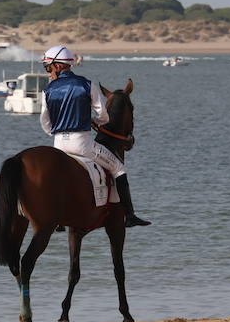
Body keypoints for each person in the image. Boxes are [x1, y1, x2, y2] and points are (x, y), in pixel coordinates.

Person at [39, 45, 151, 227]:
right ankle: (130, 215)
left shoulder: (47, 90)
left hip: (58, 144)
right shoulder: (86, 84)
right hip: (82, 144)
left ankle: (58, 218)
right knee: (119, 168)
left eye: (48, 68)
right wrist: (95, 122)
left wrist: (56, 131)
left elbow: (45, 122)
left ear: (58, 66)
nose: (48, 72)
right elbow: (103, 116)